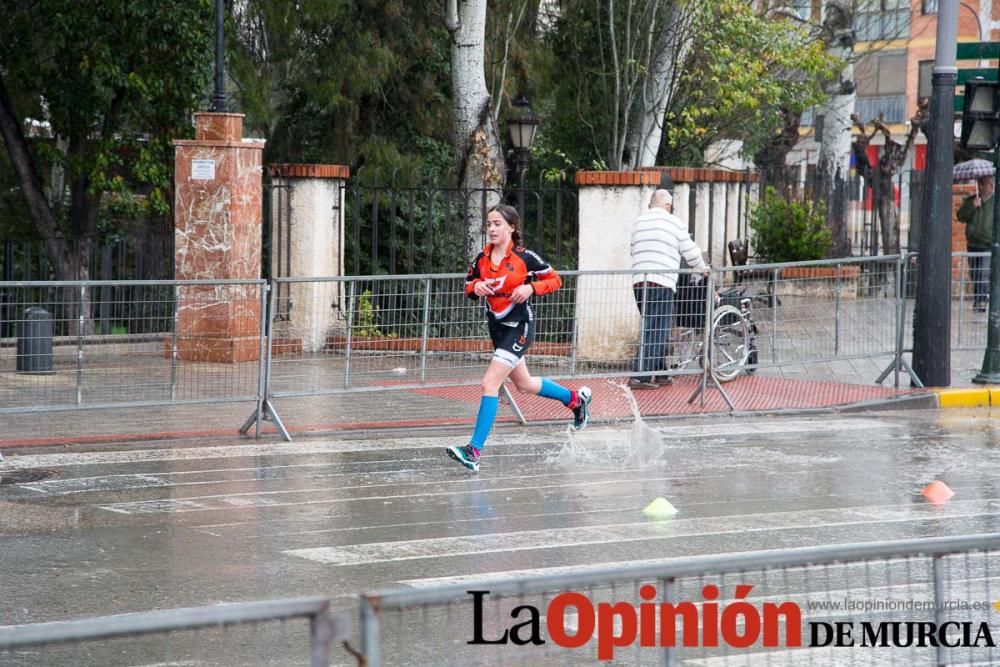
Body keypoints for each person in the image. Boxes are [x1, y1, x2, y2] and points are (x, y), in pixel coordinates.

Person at [446, 204, 591, 472]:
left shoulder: (526, 258)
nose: (491, 228)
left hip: (520, 326)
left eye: (498, 224)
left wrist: (530, 288)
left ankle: (473, 450)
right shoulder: (481, 259)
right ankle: (574, 400)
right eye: (489, 223)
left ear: (512, 227)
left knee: (489, 383)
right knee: (524, 384)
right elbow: (468, 286)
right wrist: (476, 287)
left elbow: (555, 280)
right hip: (498, 329)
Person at [629, 188, 709, 389]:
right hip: (661, 280)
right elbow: (691, 252)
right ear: (668, 205)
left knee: (651, 325)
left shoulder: (639, 222)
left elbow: (632, 249)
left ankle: (662, 372)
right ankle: (642, 377)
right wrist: (702, 268)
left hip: (639, 281)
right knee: (658, 328)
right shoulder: (673, 222)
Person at [957, 174, 996, 312]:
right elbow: (960, 216)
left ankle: (982, 300)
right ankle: (978, 298)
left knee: (984, 273)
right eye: (979, 183)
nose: (979, 186)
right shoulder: (972, 200)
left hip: (988, 244)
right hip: (973, 243)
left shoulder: (996, 202)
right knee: (975, 273)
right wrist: (972, 206)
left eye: (983, 184)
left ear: (990, 186)